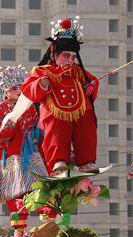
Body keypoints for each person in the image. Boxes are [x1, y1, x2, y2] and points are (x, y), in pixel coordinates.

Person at [6, 17, 99, 177]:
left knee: (86, 129)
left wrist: (91, 86)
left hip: (81, 109)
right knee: (56, 131)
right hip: (54, 111)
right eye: (65, 56)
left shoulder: (78, 72)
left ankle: (86, 161)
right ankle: (58, 160)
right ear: (53, 54)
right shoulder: (42, 71)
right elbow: (28, 89)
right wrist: (41, 85)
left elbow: (92, 83)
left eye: (72, 56)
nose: (69, 60)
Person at [0, 65, 46, 237]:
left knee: (42, 186)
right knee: (15, 193)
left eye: (21, 87)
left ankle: (48, 218)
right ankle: (19, 232)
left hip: (31, 153)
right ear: (5, 91)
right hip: (11, 156)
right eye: (14, 88)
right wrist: (9, 126)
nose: (19, 91)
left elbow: (38, 129)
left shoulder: (30, 107)